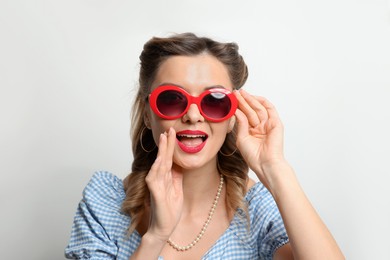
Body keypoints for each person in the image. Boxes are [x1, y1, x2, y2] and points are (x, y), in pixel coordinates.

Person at [65, 33, 344, 259]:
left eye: (215, 100)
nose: (194, 115)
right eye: (172, 99)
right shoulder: (105, 202)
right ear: (148, 113)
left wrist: (275, 170)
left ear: (233, 116)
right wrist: (156, 236)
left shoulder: (255, 210)